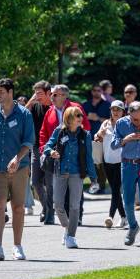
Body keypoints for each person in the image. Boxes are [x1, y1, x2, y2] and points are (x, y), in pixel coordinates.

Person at [0, 78, 35, 261]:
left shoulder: (24, 114)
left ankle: (17, 246)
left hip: (19, 168)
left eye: (1, 92)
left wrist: (17, 158)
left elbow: (28, 141)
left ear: (10, 92)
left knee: (18, 207)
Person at [44, 107, 96, 248]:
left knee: (74, 206)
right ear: (68, 118)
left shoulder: (86, 135)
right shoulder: (59, 131)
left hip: (77, 174)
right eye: (76, 115)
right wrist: (51, 152)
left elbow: (88, 158)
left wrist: (93, 178)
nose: (80, 117)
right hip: (60, 172)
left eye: (81, 115)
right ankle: (67, 228)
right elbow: (47, 146)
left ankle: (71, 236)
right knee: (58, 204)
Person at [39, 85, 90, 225]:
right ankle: (58, 217)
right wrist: (45, 149)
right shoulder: (49, 111)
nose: (52, 97)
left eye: (56, 95)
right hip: (56, 156)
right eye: (52, 95)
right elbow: (43, 132)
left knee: (75, 187)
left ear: (64, 96)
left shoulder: (75, 107)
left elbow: (86, 126)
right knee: (56, 189)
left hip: (74, 154)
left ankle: (76, 215)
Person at [111, 101, 140, 246]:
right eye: (135, 120)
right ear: (129, 114)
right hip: (128, 165)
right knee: (128, 201)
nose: (139, 123)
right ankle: (133, 226)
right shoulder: (121, 123)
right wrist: (125, 139)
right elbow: (113, 144)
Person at [95, 100, 127, 229]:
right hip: (107, 160)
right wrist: (100, 134)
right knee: (115, 190)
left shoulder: (126, 124)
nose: (115, 112)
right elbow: (96, 137)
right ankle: (124, 217)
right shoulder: (105, 124)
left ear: (123, 111)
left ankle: (110, 216)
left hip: (121, 161)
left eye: (118, 109)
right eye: (113, 109)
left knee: (115, 189)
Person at [25, 81, 53, 224]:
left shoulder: (54, 108)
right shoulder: (34, 106)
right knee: (35, 181)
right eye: (35, 93)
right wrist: (30, 102)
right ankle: (47, 208)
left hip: (51, 149)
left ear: (49, 93)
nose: (37, 96)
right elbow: (22, 116)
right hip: (36, 147)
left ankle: (49, 212)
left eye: (40, 93)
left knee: (49, 182)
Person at [83, 85, 111, 194]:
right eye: (94, 90)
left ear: (102, 92)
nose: (96, 92)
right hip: (86, 137)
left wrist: (98, 118)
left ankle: (101, 187)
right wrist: (86, 117)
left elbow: (111, 120)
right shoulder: (86, 105)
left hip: (100, 138)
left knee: (98, 163)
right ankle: (94, 186)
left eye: (98, 90)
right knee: (89, 163)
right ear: (91, 91)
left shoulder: (107, 105)